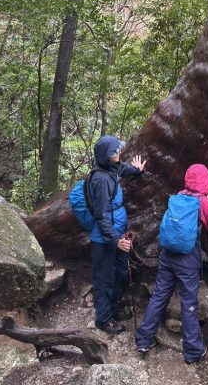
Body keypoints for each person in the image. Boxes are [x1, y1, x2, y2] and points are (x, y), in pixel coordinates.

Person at [135, 163, 208, 364]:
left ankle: (144, 340)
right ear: (206, 182)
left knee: (159, 296)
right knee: (189, 303)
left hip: (167, 254)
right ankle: (193, 351)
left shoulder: (178, 197)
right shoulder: (203, 202)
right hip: (187, 258)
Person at [88, 135, 146, 334]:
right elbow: (101, 216)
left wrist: (137, 170)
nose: (118, 154)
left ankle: (113, 308)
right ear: (105, 156)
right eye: (114, 152)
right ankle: (103, 319)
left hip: (118, 235)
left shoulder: (112, 169)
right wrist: (116, 241)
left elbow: (124, 169)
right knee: (104, 279)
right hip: (105, 239)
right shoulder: (101, 180)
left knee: (120, 274)